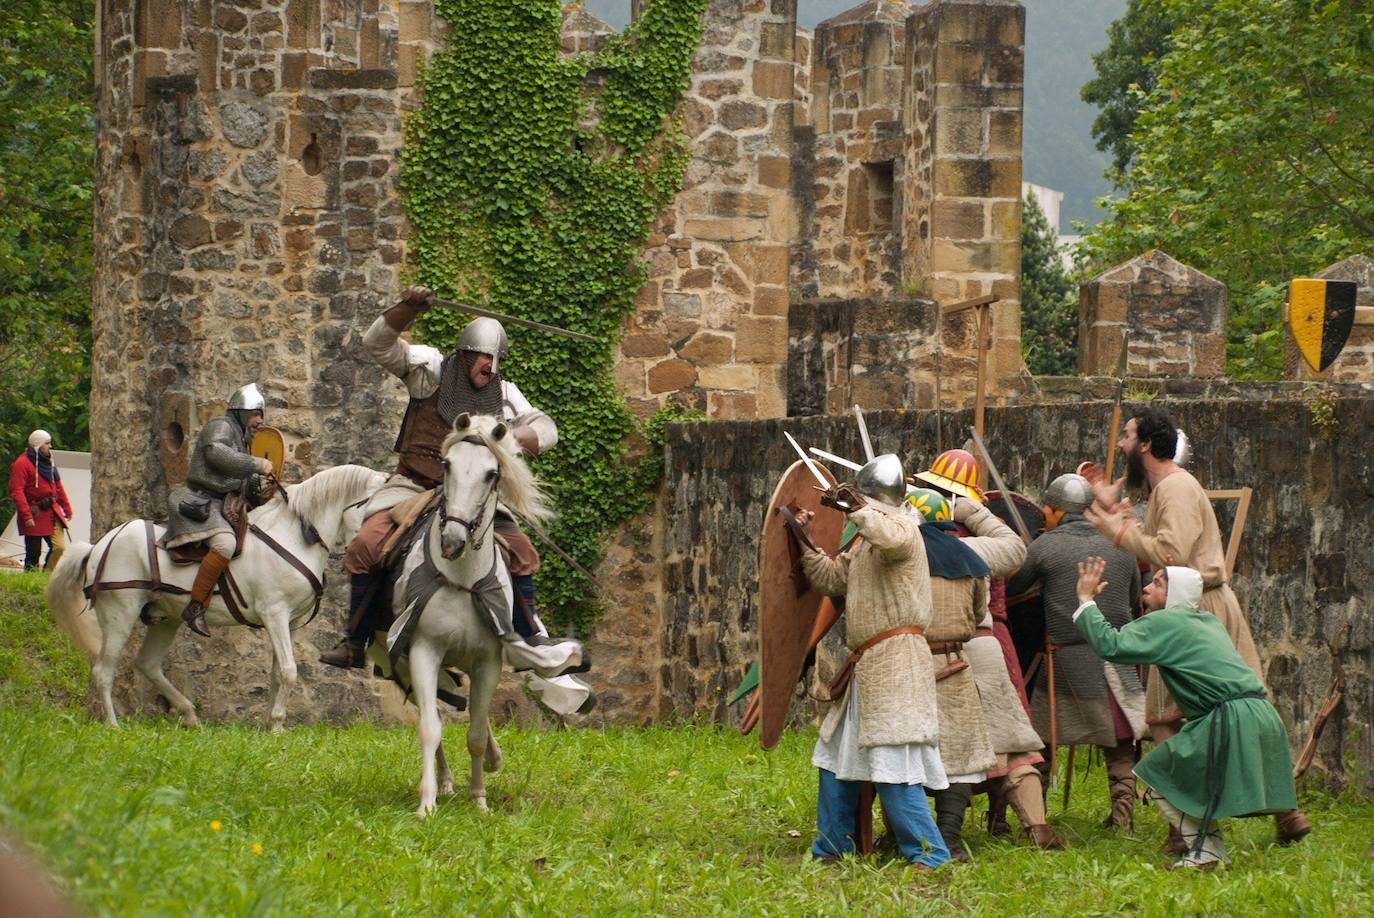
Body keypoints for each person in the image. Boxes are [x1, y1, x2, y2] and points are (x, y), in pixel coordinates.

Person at [319, 286, 582, 682]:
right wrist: (407, 308)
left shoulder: (506, 396)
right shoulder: (429, 372)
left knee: (523, 553)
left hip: (473, 497)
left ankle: (529, 638)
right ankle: (356, 640)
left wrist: (512, 440)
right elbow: (377, 344)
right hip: (412, 487)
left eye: (495, 360)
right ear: (463, 354)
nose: (489, 367)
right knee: (366, 545)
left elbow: (547, 429)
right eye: (482, 357)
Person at [1083, 406, 1311, 848]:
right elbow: (1158, 540)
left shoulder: (1177, 487)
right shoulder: (1164, 489)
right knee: (1225, 709)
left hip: (1195, 605)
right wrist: (1119, 513)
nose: (1122, 445)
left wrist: (1118, 532)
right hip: (1189, 605)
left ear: (1146, 443)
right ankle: (1268, 815)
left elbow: (1171, 553)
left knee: (1198, 714)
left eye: (1128, 437)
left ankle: (1197, 827)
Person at [1072, 559, 1300, 870]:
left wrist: (1086, 600)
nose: (1148, 587)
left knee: (1158, 774)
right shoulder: (1207, 621)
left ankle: (1207, 851)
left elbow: (1110, 644)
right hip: (1261, 714)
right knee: (1186, 775)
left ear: (1176, 593)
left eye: (1159, 583)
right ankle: (1209, 850)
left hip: (1230, 718)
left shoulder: (1166, 622)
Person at [794, 455, 951, 871]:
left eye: (860, 501)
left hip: (898, 664)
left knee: (892, 760)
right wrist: (805, 539)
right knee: (834, 755)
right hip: (867, 666)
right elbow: (831, 579)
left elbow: (894, 540)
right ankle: (831, 846)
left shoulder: (903, 528)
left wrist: (861, 511)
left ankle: (930, 853)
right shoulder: (865, 542)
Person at [1006, 473, 1145, 831]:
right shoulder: (1122, 544)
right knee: (1119, 746)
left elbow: (1012, 590)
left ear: (1054, 510)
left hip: (1065, 659)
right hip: (1118, 656)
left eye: (1046, 512)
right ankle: (1123, 817)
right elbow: (1131, 601)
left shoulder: (1044, 547)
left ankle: (1037, 820)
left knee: (1043, 742)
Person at [902, 488, 998, 861]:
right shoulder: (969, 558)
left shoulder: (901, 557)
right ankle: (950, 839)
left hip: (909, 664)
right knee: (957, 759)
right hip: (954, 664)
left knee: (905, 753)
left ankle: (910, 835)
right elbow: (977, 617)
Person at [161, 384, 274, 636]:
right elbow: (217, 453)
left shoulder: (241, 438)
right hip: (201, 502)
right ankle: (196, 606)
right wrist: (257, 464)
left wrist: (258, 484)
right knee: (225, 544)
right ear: (242, 412)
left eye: (260, 415)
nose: (259, 421)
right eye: (256, 414)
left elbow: (237, 478)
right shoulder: (221, 426)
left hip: (224, 505)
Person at [8, 430, 72, 571]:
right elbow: (16, 491)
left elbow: (58, 486)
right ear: (37, 445)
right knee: (33, 553)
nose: (50, 446)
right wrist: (26, 515)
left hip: (52, 510)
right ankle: (32, 582)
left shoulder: (49, 460)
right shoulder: (21, 464)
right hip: (34, 512)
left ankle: (46, 576)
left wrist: (67, 508)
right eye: (47, 443)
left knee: (59, 547)